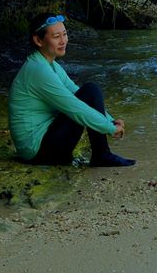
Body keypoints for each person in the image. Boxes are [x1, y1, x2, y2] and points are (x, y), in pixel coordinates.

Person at [8, 12, 135, 167]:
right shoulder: (38, 70)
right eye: (56, 37)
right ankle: (102, 155)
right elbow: (74, 107)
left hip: (46, 143)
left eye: (65, 34)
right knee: (90, 89)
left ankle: (102, 154)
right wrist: (109, 128)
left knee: (90, 90)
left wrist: (111, 120)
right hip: (37, 152)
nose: (63, 41)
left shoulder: (50, 65)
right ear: (38, 40)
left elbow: (78, 94)